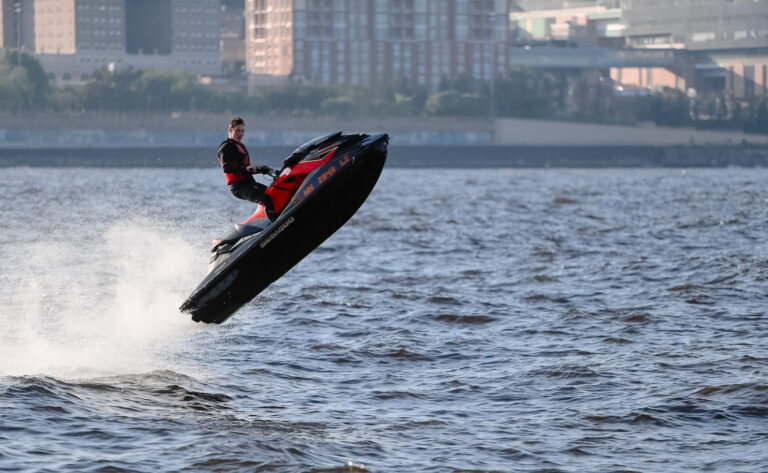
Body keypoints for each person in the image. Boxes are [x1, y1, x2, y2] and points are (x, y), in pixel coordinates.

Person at [218, 117, 273, 208]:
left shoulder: (240, 146)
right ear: (230, 130)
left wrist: (262, 169)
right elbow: (226, 168)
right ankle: (279, 221)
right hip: (239, 187)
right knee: (266, 197)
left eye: (243, 131)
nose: (240, 134)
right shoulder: (226, 147)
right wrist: (245, 168)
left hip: (249, 183)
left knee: (272, 192)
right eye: (238, 131)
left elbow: (246, 168)